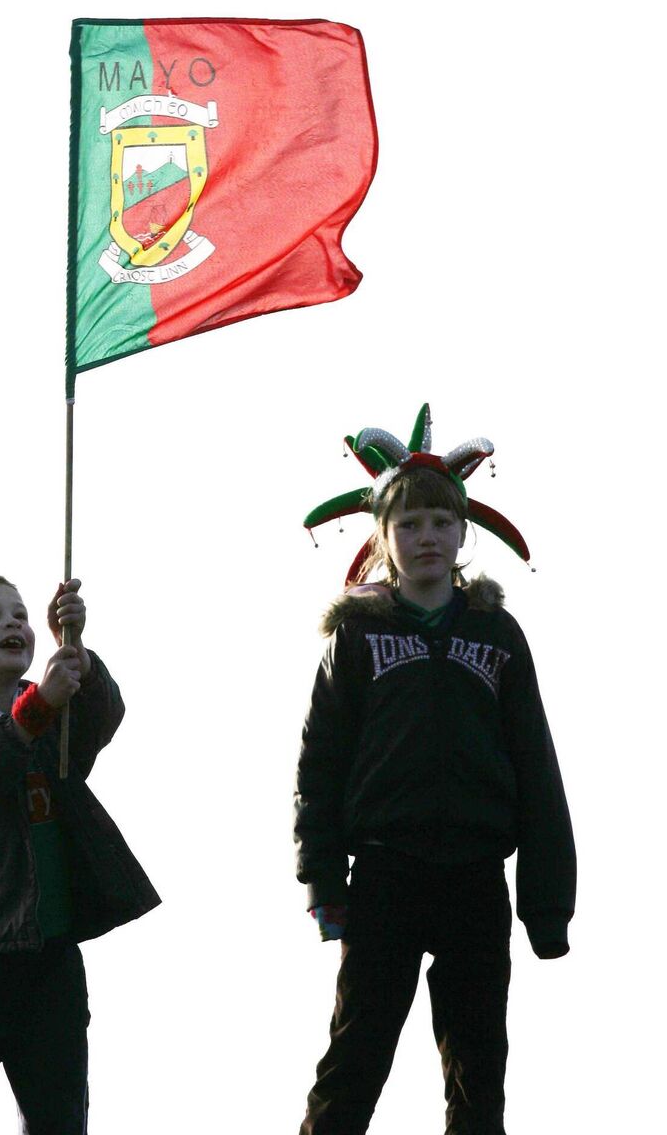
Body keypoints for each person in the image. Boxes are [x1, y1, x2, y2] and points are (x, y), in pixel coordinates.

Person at [295, 406, 576, 1135]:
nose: (425, 537)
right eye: (409, 525)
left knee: (477, 1065)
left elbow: (536, 766)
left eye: (439, 523)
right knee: (355, 1056)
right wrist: (323, 881)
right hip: (384, 873)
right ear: (383, 538)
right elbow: (318, 762)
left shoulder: (496, 634)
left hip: (476, 875)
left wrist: (546, 905)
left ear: (461, 533)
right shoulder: (357, 636)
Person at [0, 573, 159, 1135]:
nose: (12, 623)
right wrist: (38, 705)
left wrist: (78, 656)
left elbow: (102, 717)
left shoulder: (50, 715)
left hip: (49, 959)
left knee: (59, 1118)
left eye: (19, 615)